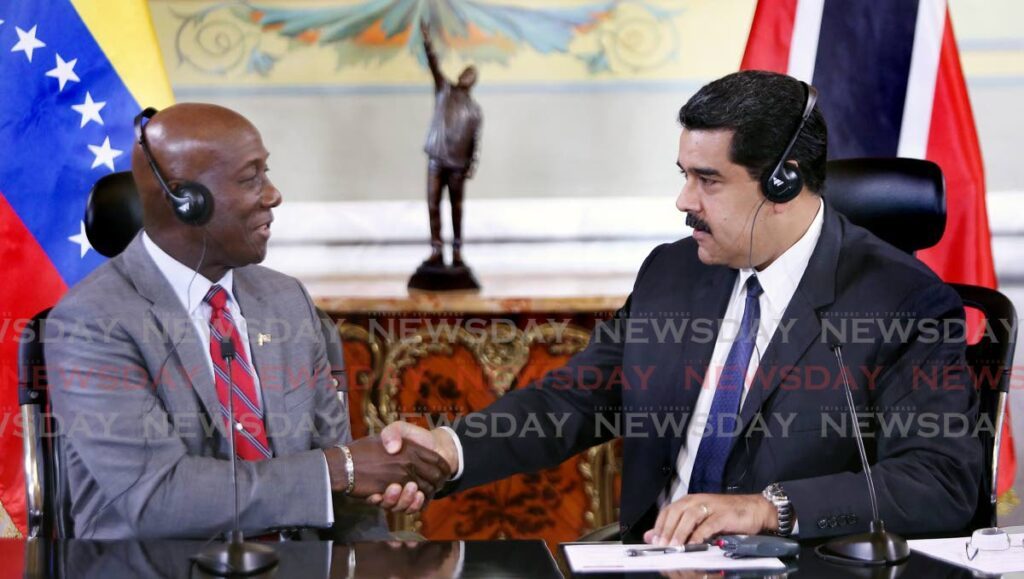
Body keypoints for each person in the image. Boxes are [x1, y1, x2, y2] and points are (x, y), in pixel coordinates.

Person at [376, 71, 982, 544]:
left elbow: (939, 479)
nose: (682, 200)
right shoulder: (675, 272)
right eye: (683, 174)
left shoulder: (903, 301)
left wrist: (766, 510)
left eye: (708, 180)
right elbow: (576, 399)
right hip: (656, 561)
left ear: (784, 183)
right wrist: (450, 449)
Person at [45, 103, 448, 540]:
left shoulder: (285, 300)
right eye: (250, 178)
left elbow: (343, 488)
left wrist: (378, 509)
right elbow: (157, 497)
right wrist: (340, 469)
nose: (273, 194)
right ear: (185, 201)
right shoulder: (91, 321)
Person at [420, 22, 482, 268]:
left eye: (473, 75)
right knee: (433, 205)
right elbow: (434, 65)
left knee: (457, 209)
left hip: (458, 165)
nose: (469, 76)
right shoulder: (444, 90)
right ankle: (436, 249)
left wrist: (472, 164)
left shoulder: (475, 111)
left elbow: (476, 142)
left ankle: (457, 251)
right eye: (467, 72)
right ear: (460, 75)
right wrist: (427, 42)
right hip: (437, 158)